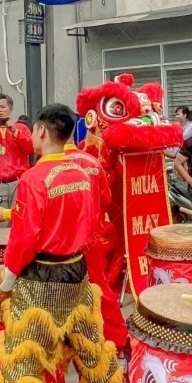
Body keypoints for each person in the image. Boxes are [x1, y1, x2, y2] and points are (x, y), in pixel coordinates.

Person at [0, 104, 123, 383]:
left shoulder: (34, 177)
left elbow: (25, 239)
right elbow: (92, 220)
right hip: (77, 273)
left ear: (41, 132)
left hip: (41, 281)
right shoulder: (85, 170)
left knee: (21, 370)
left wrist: (7, 280)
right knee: (93, 354)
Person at [63, 132, 128, 352]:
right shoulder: (91, 162)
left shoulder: (50, 167)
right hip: (92, 232)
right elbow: (106, 198)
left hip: (61, 239)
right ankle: (118, 338)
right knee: (98, 284)